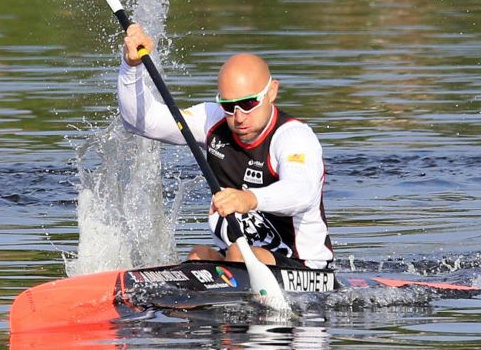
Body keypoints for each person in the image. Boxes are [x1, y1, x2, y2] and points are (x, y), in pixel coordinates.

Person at [117, 24, 333, 270]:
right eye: (229, 106)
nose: (239, 117)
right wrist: (131, 68)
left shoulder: (294, 137)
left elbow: (301, 192)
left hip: (304, 265)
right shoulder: (212, 120)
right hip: (240, 256)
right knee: (199, 255)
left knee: (237, 254)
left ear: (272, 91)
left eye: (249, 103)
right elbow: (141, 122)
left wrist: (250, 199)